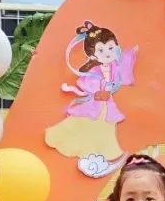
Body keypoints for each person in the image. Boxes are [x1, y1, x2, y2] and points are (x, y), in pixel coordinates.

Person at [45, 22, 136, 160]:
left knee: (106, 125)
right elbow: (86, 83)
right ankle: (75, 144)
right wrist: (99, 89)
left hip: (107, 103)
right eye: (101, 50)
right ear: (93, 56)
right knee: (84, 122)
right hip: (95, 102)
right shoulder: (94, 71)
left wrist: (132, 52)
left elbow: (124, 66)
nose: (107, 53)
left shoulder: (115, 68)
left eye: (110, 47)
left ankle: (105, 151)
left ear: (116, 47)